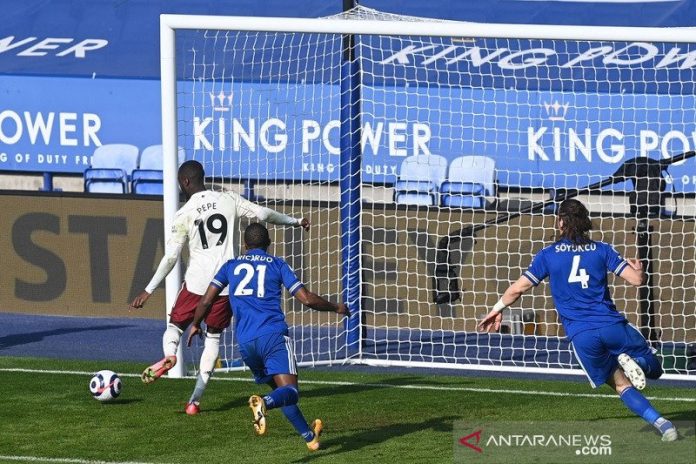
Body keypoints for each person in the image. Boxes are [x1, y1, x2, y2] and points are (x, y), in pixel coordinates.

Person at [478, 199, 678, 442]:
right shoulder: (602, 249)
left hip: (582, 337)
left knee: (621, 385)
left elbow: (517, 290)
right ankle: (637, 362)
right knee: (654, 367)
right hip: (612, 326)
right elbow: (636, 280)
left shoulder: (548, 255)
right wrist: (640, 269)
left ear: (561, 222)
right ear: (585, 222)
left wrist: (496, 309)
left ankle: (664, 426)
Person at [129, 160, 309, 416]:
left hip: (196, 283)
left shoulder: (184, 213)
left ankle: (170, 354)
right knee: (213, 338)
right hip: (225, 284)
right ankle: (194, 400)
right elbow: (263, 214)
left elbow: (170, 257)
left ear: (185, 182)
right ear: (203, 177)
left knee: (174, 327)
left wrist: (148, 289)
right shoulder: (228, 199)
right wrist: (294, 221)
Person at [187, 222, 348, 451]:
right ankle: (264, 404)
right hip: (272, 337)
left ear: (245, 244)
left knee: (282, 392)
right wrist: (336, 307)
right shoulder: (277, 264)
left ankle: (310, 438)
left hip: (245, 344)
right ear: (269, 244)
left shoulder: (231, 265)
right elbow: (307, 299)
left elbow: (206, 300)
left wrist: (195, 324)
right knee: (290, 392)